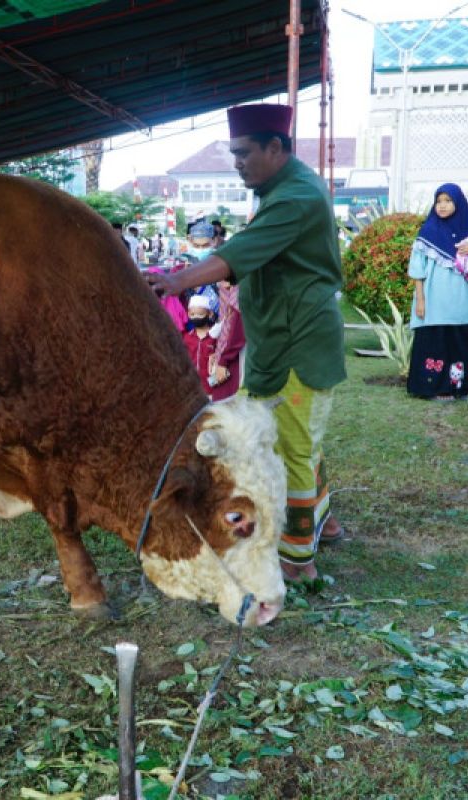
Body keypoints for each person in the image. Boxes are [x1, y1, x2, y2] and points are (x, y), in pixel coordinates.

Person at [146, 103, 346, 583]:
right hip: (280, 340)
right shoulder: (286, 187)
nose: (237, 163)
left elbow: (237, 255)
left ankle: (298, 564)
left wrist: (176, 281)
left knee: (291, 450)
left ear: (275, 148)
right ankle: (325, 526)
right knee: (295, 443)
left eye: (243, 153)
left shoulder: (293, 196)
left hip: (297, 344)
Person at [406, 184, 468, 401]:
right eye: (439, 201)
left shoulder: (467, 234)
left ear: (458, 203)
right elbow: (417, 271)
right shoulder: (427, 233)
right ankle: (436, 389)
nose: (443, 205)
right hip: (434, 301)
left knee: (467, 340)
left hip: (459, 300)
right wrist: (420, 300)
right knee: (435, 343)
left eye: (448, 200)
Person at [182, 293, 244, 401]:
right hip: (192, 389)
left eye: (200, 314)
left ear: (209, 314)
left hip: (212, 387)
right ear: (188, 314)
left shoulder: (216, 336)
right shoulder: (187, 338)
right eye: (192, 314)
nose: (196, 317)